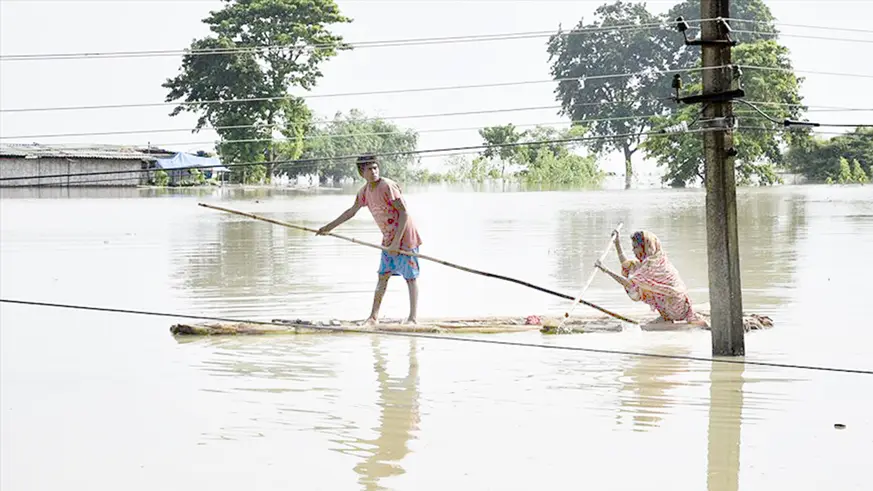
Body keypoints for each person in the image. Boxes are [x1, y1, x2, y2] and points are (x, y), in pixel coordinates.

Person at [316, 154, 422, 325]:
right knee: (383, 276)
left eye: (375, 168)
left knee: (410, 277)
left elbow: (404, 213)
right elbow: (351, 212)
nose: (373, 172)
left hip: (405, 238)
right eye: (369, 169)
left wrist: (396, 243)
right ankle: (373, 317)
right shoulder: (364, 192)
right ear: (361, 173)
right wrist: (329, 227)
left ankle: (413, 318)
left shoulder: (387, 186)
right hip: (388, 239)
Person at [595, 229, 707, 327]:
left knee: (637, 287)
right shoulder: (651, 260)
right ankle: (666, 317)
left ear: (645, 247)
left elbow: (629, 283)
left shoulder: (652, 264)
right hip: (674, 305)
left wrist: (606, 270)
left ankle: (670, 317)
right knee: (640, 284)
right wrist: (617, 244)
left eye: (635, 247)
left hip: (676, 308)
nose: (633, 251)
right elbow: (627, 265)